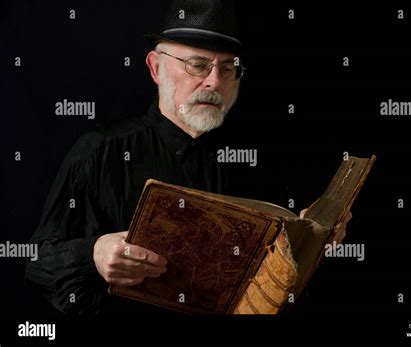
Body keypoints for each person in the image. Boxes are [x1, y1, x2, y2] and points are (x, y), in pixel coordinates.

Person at [25, 0, 351, 316]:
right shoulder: (99, 151)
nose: (214, 81)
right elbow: (37, 261)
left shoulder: (261, 161)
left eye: (228, 68)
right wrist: (93, 254)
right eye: (197, 65)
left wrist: (310, 238)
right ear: (156, 67)